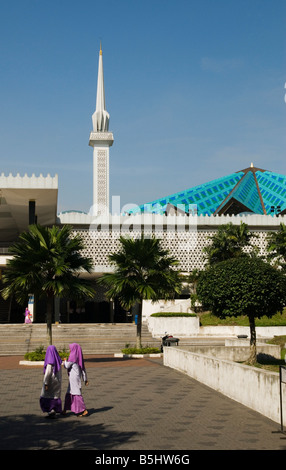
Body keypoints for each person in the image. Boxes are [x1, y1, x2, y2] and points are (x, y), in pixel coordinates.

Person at [63, 343, 89, 417]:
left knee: (76, 393)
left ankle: (84, 410)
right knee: (69, 392)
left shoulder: (72, 356)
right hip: (76, 378)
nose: (70, 350)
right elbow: (83, 369)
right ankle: (65, 409)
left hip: (73, 378)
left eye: (70, 348)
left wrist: (65, 361)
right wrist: (85, 379)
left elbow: (67, 366)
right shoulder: (79, 357)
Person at [40, 345, 62, 418]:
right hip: (57, 381)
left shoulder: (50, 362)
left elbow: (48, 373)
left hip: (50, 381)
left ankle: (50, 410)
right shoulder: (58, 360)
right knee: (55, 396)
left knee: (46, 395)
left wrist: (46, 383)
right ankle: (53, 410)